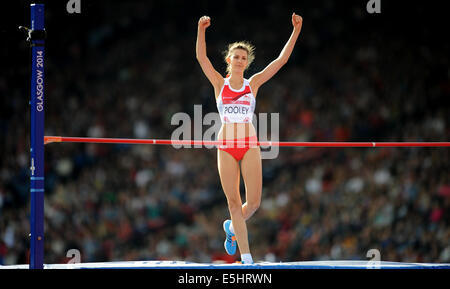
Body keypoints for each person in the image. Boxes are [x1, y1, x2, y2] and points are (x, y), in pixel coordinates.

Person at [196, 12, 303, 264]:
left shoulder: (252, 84)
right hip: (226, 146)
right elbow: (201, 58)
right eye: (236, 56)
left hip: (249, 145)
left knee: (253, 203)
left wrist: (296, 30)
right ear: (229, 59)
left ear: (247, 62)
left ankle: (232, 228)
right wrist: (201, 29)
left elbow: (281, 60)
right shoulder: (218, 83)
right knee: (234, 203)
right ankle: (246, 259)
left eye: (244, 58)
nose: (240, 60)